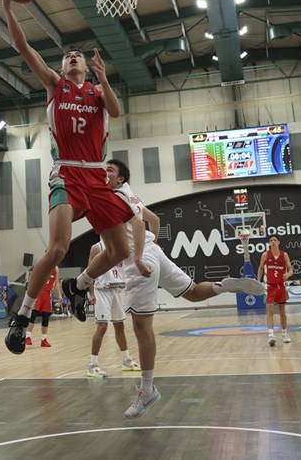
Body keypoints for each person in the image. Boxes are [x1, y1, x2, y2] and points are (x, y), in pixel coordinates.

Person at [0, 0, 142, 354]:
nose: (73, 57)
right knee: (59, 247)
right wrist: (9, 8)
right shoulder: (54, 84)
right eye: (68, 56)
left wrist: (106, 79)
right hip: (66, 172)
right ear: (62, 67)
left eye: (77, 55)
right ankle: (23, 316)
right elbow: (23, 47)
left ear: (88, 68)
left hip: (96, 174)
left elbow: (116, 111)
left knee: (120, 250)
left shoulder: (97, 93)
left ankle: (77, 285)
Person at [105, 159, 265, 418]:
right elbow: (154, 219)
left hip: (140, 258)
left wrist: (139, 256)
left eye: (109, 170)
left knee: (141, 327)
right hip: (154, 252)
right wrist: (154, 246)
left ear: (120, 179)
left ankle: (147, 391)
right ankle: (222, 286)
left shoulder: (116, 197)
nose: (104, 172)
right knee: (192, 293)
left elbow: (136, 224)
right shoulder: (131, 195)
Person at [86, 239, 139, 378]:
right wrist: (91, 293)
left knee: (120, 326)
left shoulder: (123, 244)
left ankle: (126, 360)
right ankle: (92, 365)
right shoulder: (97, 247)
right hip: (102, 290)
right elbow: (89, 271)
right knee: (102, 326)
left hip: (118, 289)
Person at [259, 235, 293, 346]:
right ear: (269, 243)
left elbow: (290, 269)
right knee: (270, 311)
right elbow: (260, 268)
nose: (273, 242)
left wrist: (288, 274)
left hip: (281, 286)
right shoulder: (265, 255)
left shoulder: (284, 255)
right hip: (269, 286)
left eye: (275, 240)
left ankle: (284, 333)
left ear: (279, 242)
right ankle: (271, 335)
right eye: (271, 240)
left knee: (282, 312)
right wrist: (259, 282)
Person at [27, 266, 63, 348]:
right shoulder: (43, 264)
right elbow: (34, 278)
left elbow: (56, 282)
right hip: (39, 292)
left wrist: (59, 295)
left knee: (45, 316)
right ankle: (27, 336)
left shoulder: (56, 268)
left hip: (47, 294)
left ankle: (44, 339)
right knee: (34, 314)